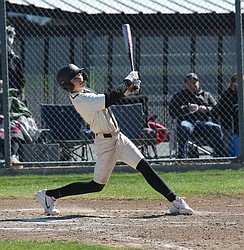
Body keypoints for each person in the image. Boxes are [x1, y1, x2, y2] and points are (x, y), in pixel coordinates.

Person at [35, 63, 194, 215]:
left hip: (119, 137)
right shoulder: (81, 100)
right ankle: (49, 195)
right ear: (67, 84)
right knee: (96, 186)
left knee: (144, 167)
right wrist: (127, 81)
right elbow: (109, 97)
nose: (81, 78)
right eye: (75, 78)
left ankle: (175, 201)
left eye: (80, 75)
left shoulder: (85, 92)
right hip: (106, 144)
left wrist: (129, 90)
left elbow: (113, 98)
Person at [169, 73, 226, 158]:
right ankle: (182, 157)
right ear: (185, 85)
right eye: (189, 83)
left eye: (194, 82)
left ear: (198, 83)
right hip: (187, 122)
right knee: (184, 127)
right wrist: (188, 108)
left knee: (216, 127)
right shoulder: (179, 96)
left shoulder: (206, 95)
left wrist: (206, 109)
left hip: (203, 122)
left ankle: (220, 156)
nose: (192, 85)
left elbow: (217, 109)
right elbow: (172, 111)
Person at [214, 73, 239, 156]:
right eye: (237, 83)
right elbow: (222, 109)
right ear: (232, 84)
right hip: (230, 123)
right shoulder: (227, 95)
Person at [0, 25, 25, 100]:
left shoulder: (15, 59)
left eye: (8, 44)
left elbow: (21, 80)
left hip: (12, 97)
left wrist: (16, 92)